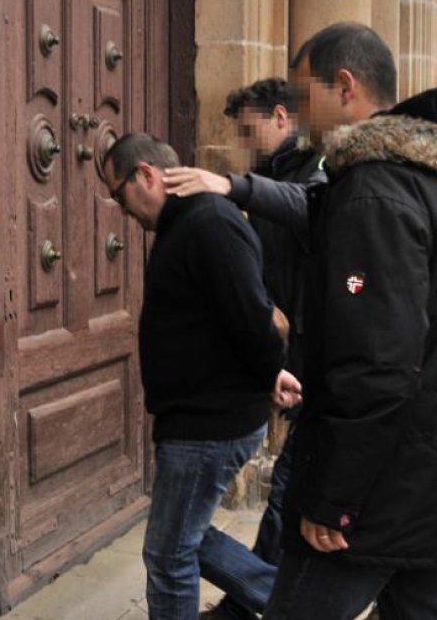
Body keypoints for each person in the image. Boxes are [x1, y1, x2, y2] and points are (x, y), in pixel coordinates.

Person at [263, 23, 437, 620]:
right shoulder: (432, 185)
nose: (296, 111)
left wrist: (333, 499)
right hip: (431, 480)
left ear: (343, 87)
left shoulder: (373, 193)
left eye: (302, 93)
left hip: (376, 495)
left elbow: (377, 360)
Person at [101, 133, 302, 620]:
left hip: (210, 423)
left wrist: (266, 369)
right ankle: (299, 605)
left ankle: (303, 606)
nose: (118, 207)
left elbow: (254, 318)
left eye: (117, 193)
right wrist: (267, 372)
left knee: (169, 554)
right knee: (182, 537)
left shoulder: (208, 222)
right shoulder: (184, 224)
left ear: (145, 174)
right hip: (200, 417)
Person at [162, 78, 326, 620]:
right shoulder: (272, 175)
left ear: (282, 116)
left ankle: (281, 607)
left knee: (286, 495)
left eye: (251, 130)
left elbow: (316, 222)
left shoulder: (317, 172)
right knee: (290, 495)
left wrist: (233, 186)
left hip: (321, 364)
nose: (246, 143)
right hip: (289, 362)